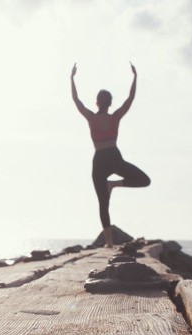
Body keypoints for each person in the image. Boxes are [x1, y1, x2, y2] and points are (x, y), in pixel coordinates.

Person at [71, 62, 150, 247]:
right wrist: (135, 78)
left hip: (100, 160)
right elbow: (130, 99)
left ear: (97, 102)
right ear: (110, 103)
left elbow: (76, 101)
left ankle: (109, 242)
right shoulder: (115, 117)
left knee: (103, 203)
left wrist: (71, 79)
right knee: (144, 180)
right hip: (113, 157)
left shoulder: (92, 117)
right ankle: (114, 184)